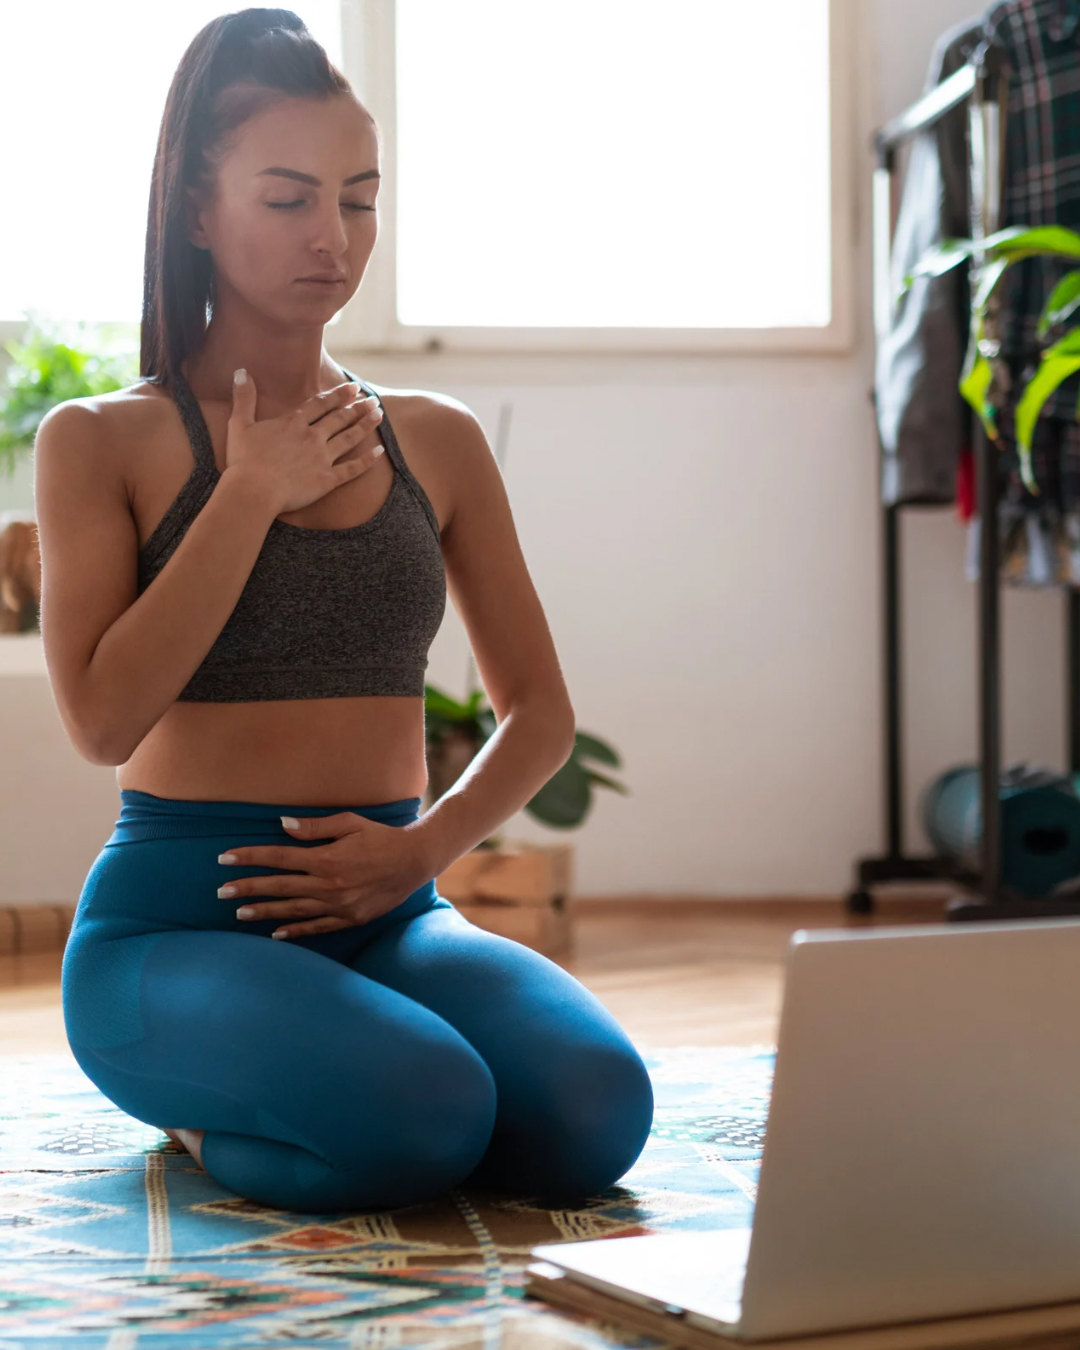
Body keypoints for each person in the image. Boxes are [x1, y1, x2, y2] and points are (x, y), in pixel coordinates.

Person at [41, 7, 653, 1215]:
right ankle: (197, 1114)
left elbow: (539, 715)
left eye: (358, 199)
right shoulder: (101, 440)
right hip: (174, 933)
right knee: (427, 1113)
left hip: (390, 912)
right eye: (287, 199)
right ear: (199, 211)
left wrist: (421, 854)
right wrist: (249, 494)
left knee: (597, 1111)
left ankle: (330, 1088)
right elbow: (103, 720)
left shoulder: (437, 439)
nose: (333, 235)